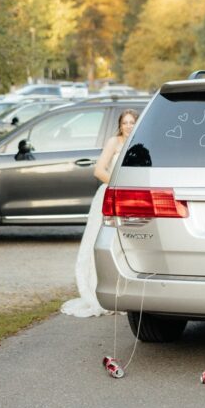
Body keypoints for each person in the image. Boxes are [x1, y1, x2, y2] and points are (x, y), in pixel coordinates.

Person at [61, 109, 139, 318]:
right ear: (120, 125)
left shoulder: (140, 144)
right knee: (100, 239)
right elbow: (99, 170)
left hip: (131, 198)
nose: (129, 126)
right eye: (126, 123)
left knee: (125, 243)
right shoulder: (114, 142)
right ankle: (96, 289)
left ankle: (125, 291)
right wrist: (116, 185)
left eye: (133, 122)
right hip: (109, 194)